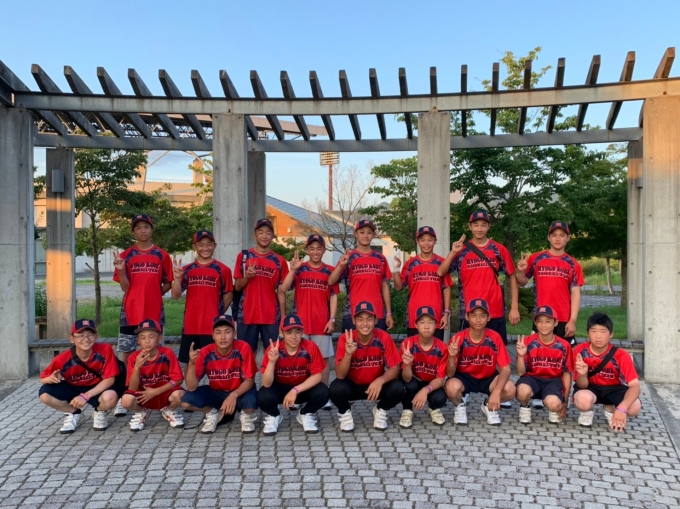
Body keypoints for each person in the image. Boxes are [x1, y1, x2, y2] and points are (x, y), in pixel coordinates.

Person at [112, 213, 173, 416]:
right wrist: (121, 270)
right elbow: (125, 287)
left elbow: (168, 282)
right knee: (127, 354)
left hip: (154, 313)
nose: (143, 231)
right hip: (130, 312)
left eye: (146, 227)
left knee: (158, 355)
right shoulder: (126, 255)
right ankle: (126, 394)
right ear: (133, 231)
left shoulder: (161, 255)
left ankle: (160, 395)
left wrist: (154, 294)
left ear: (152, 229)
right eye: (138, 227)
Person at [437, 210, 520, 345]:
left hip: (494, 310)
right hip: (469, 312)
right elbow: (440, 272)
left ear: (489, 226)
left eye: (483, 225)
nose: (479, 229)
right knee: (467, 352)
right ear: (470, 227)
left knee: (496, 350)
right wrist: (453, 252)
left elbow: (512, 276)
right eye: (476, 225)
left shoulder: (498, 249)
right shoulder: (461, 250)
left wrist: (514, 307)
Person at [278, 234, 339, 409]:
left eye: (319, 248)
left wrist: (332, 319)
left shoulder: (330, 270)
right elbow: (284, 288)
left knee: (323, 361)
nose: (315, 252)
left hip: (321, 324)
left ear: (324, 250)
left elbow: (334, 296)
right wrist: (292, 269)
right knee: (299, 361)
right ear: (307, 250)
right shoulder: (300, 268)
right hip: (299, 326)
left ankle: (324, 396)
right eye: (311, 248)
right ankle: (298, 396)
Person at [329, 301, 405, 432]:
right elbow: (340, 375)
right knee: (335, 388)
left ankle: (381, 410)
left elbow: (395, 368)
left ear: (376, 320)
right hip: (353, 385)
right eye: (360, 319)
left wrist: (380, 380)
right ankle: (345, 413)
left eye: (369, 319)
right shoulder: (345, 338)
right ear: (354, 321)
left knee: (399, 388)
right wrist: (348, 354)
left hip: (375, 385)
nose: (365, 323)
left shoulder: (384, 337)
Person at [38, 319, 122, 434]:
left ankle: (100, 411)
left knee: (110, 398)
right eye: (81, 336)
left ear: (96, 337)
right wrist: (50, 379)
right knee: (44, 394)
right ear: (72, 338)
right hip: (74, 387)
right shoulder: (62, 359)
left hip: (97, 387)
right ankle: (74, 412)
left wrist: (85, 396)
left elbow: (110, 379)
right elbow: (43, 378)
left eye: (90, 335)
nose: (86, 339)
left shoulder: (105, 349)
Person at [181, 315, 258, 434]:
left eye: (227, 332)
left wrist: (233, 395)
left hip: (239, 390)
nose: (223, 337)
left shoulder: (243, 347)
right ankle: (213, 413)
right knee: (186, 402)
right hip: (217, 391)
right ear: (213, 335)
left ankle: (246, 416)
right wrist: (191, 364)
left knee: (252, 402)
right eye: (218, 332)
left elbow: (250, 380)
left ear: (234, 333)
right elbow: (191, 387)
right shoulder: (205, 352)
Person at [444, 299, 516, 426]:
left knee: (510, 389)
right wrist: (451, 357)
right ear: (467, 317)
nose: (478, 320)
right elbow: (450, 374)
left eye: (482, 315)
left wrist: (496, 392)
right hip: (465, 377)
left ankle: (488, 405)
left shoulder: (495, 337)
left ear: (489, 318)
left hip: (488, 377)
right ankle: (459, 406)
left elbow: (506, 369)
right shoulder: (458, 338)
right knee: (451, 388)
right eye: (474, 315)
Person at [171, 230, 234, 372]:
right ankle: (191, 386)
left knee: (214, 364)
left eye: (209, 244)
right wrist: (177, 278)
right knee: (190, 363)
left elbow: (229, 294)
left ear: (214, 246)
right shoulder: (187, 270)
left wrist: (217, 313)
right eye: (201, 245)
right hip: (191, 325)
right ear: (194, 246)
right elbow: (175, 295)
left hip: (212, 327)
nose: (205, 248)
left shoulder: (223, 270)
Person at [258, 313, 330, 435]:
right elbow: (266, 383)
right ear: (281, 333)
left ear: (303, 332)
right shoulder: (274, 349)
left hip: (301, 387)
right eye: (289, 332)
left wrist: (295, 390)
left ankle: (305, 413)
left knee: (323, 392)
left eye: (297, 332)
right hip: (280, 387)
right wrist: (271, 362)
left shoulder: (310, 346)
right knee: (262, 396)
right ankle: (274, 415)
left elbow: (318, 375)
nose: (294, 337)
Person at [516, 221, 584, 346]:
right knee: (538, 352)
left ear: (568, 238)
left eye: (562, 235)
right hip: (541, 317)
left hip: (563, 317)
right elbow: (522, 282)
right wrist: (521, 271)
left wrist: (573, 320)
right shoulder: (536, 258)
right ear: (548, 237)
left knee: (564, 354)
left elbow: (575, 294)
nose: (557, 239)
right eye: (554, 235)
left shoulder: (573, 264)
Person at [573, 313, 641, 430]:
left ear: (611, 334)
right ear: (588, 333)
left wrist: (622, 409)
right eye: (593, 331)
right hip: (590, 387)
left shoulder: (621, 355)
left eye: (603, 331)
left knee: (634, 407)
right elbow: (581, 385)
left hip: (615, 389)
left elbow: (635, 386)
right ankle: (587, 412)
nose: (598, 336)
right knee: (583, 399)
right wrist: (582, 375)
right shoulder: (580, 351)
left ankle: (610, 409)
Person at [328, 220, 396, 332]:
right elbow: (331, 281)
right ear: (356, 234)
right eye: (362, 232)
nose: (365, 235)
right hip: (353, 314)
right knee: (350, 343)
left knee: (378, 343)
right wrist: (341, 265)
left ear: (373, 235)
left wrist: (388, 313)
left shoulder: (380, 258)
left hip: (377, 314)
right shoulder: (349, 257)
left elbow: (385, 286)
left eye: (369, 232)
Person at [233, 218, 289, 353]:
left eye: (268, 233)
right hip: (247, 315)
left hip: (271, 315)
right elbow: (237, 287)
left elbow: (281, 292)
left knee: (273, 353)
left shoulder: (279, 261)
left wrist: (283, 319)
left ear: (272, 236)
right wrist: (247, 277)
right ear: (255, 235)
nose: (264, 236)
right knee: (246, 354)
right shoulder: (244, 257)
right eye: (261, 232)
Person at [122, 319, 185, 431]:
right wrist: (137, 368)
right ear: (138, 340)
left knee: (181, 395)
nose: (147, 341)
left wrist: (155, 391)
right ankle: (141, 412)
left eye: (151, 337)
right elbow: (132, 388)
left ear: (159, 338)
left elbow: (178, 379)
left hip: (164, 392)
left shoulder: (167, 353)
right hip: (143, 395)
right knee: (126, 400)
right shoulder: (133, 358)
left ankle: (169, 410)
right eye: (143, 337)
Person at [515, 305, 574, 425]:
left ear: (555, 323)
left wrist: (565, 401)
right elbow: (520, 372)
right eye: (540, 321)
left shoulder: (564, 345)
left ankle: (551, 403)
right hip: (531, 378)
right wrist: (521, 356)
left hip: (553, 381)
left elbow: (567, 373)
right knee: (522, 391)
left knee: (554, 404)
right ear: (535, 323)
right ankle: (525, 407)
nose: (543, 325)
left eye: (548, 321)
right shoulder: (527, 342)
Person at [395, 226, 454, 340]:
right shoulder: (411, 264)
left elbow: (446, 288)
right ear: (417, 241)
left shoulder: (441, 262)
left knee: (436, 349)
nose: (426, 243)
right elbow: (399, 287)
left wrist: (446, 313)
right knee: (414, 349)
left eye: (430, 240)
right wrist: (395, 270)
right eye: (422, 240)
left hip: (435, 316)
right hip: (414, 316)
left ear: (435, 241)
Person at [398, 306, 449, 429]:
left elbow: (440, 379)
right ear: (416, 325)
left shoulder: (442, 348)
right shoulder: (408, 344)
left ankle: (434, 408)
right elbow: (406, 377)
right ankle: (407, 410)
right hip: (413, 379)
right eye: (422, 322)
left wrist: (425, 390)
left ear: (436, 325)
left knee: (440, 398)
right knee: (408, 385)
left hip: (431, 381)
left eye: (430, 322)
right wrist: (407, 364)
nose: (426, 326)